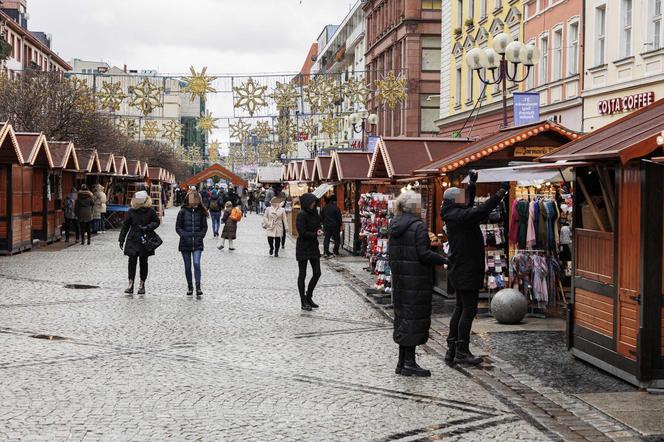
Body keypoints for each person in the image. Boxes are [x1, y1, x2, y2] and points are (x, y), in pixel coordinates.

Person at [441, 172, 508, 365]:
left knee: (460, 308)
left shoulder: (452, 213)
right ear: (455, 201)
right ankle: (462, 350)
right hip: (467, 268)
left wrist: (471, 184)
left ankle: (451, 348)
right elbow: (478, 211)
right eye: (461, 198)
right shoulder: (460, 216)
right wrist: (500, 193)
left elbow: (468, 206)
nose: (465, 200)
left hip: (459, 268)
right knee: (468, 310)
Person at [389, 191, 446, 377]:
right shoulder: (418, 227)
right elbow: (423, 254)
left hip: (400, 280)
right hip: (416, 280)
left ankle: (402, 363)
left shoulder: (395, 224)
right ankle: (409, 363)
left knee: (404, 319)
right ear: (414, 207)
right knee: (413, 319)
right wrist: (444, 260)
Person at [119, 190, 160, 295]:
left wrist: (147, 227)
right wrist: (121, 238)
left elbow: (156, 222)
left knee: (143, 262)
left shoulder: (150, 211)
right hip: (133, 238)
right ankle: (131, 283)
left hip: (144, 239)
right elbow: (125, 225)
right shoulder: (131, 211)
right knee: (132, 261)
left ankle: (142, 284)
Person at [176, 191, 209, 297]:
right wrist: (184, 235)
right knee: (187, 266)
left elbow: (204, 227)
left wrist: (200, 236)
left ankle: (198, 286)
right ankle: (190, 286)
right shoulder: (182, 212)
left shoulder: (201, 212)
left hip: (197, 242)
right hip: (185, 242)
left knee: (196, 263)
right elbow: (178, 227)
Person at [296, 193, 322, 311]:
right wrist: (315, 234)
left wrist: (320, 229)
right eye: (312, 203)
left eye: (314, 203)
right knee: (303, 274)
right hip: (303, 246)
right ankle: (303, 301)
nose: (313, 204)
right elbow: (302, 232)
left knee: (317, 273)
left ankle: (309, 296)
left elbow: (318, 225)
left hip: (313, 246)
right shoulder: (301, 215)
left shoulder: (315, 213)